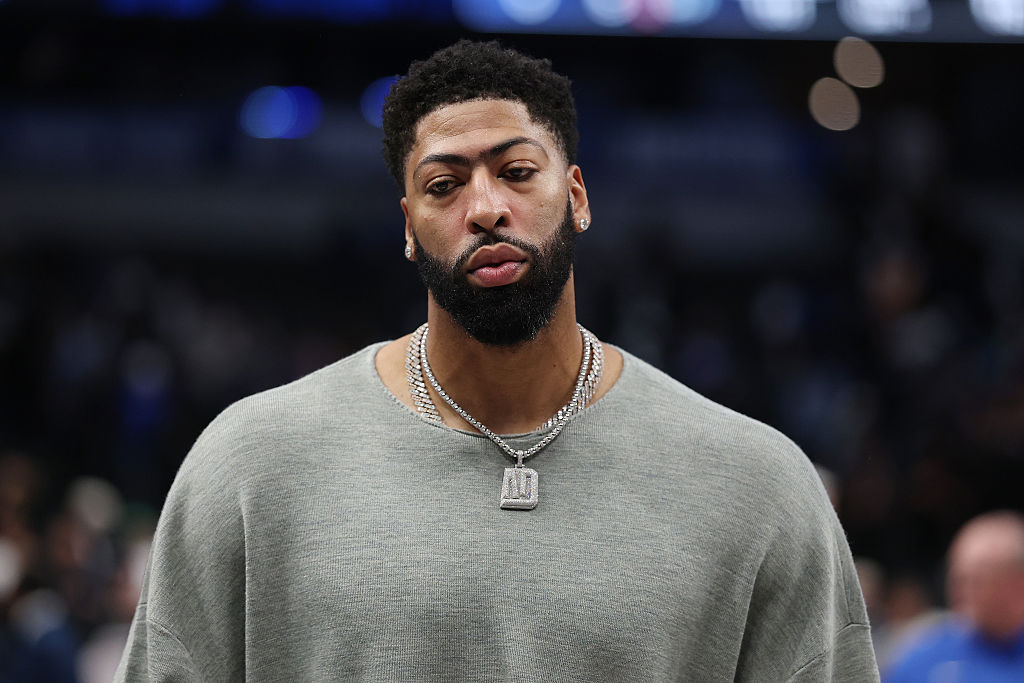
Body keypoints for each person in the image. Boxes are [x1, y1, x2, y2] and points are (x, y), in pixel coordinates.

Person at [115, 40, 878, 680]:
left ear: (576, 195)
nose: (484, 207)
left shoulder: (756, 483)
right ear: (409, 228)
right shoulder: (249, 466)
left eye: (517, 171)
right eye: (444, 185)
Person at [884, 511, 1024, 682]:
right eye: (956, 579)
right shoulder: (925, 660)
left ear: (1018, 584)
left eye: (977, 581)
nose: (959, 591)